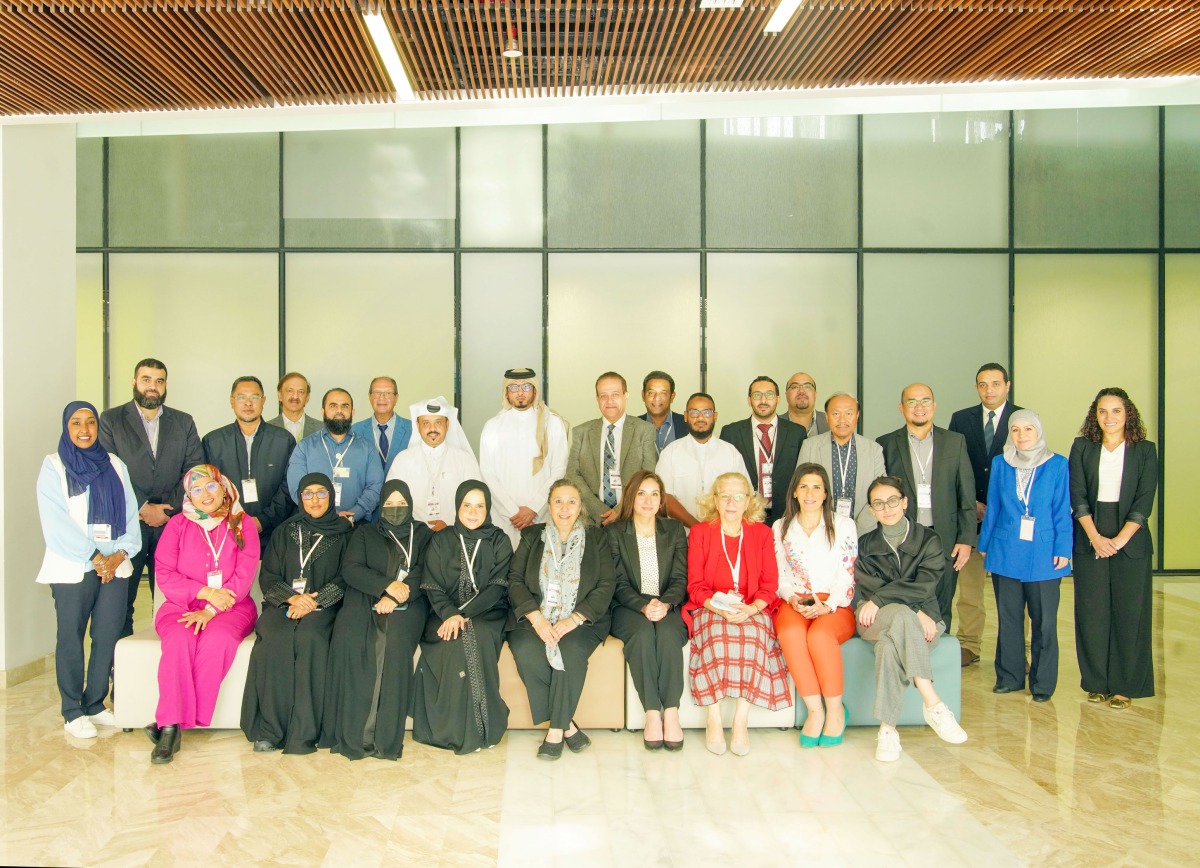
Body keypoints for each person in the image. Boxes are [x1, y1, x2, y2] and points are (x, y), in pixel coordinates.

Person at [36, 401, 141, 739]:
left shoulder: (115, 465)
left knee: (107, 634)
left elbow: (129, 516)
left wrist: (118, 554)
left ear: (98, 427)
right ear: (66, 428)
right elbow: (56, 524)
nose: (84, 430)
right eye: (76, 423)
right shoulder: (54, 466)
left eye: (91, 422)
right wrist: (96, 556)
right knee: (71, 636)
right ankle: (72, 710)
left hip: (114, 566)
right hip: (74, 567)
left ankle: (95, 703)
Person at [148, 465, 260, 764]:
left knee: (217, 638)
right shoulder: (177, 525)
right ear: (189, 497)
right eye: (196, 490)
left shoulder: (242, 523)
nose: (205, 495)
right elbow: (165, 573)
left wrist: (212, 609)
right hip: (181, 605)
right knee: (179, 639)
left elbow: (244, 574)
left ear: (223, 487)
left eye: (211, 486)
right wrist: (205, 594)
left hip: (232, 606)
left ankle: (170, 721)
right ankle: (171, 728)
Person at [855, 476, 968, 762]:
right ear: (871, 510)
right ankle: (932, 701)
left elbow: (926, 584)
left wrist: (903, 606)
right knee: (902, 616)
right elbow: (870, 588)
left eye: (893, 501)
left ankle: (887, 731)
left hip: (919, 618)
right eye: (878, 504)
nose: (887, 508)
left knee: (889, 648)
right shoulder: (866, 544)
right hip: (875, 618)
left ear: (905, 502)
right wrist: (912, 610)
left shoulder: (928, 539)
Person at [323, 479, 434, 760]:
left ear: (409, 504)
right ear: (380, 505)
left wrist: (397, 596)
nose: (395, 509)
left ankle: (382, 737)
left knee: (393, 641)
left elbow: (424, 571)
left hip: (410, 603)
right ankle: (356, 733)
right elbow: (351, 569)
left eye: (401, 504)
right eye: (389, 504)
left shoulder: (422, 533)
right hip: (366, 596)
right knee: (353, 637)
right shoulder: (365, 533)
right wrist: (386, 586)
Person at [241, 472, 351, 753]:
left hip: (324, 607)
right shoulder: (284, 531)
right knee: (274, 637)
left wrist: (314, 602)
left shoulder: (345, 533)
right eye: (308, 494)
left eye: (321, 493)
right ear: (299, 498)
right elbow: (269, 576)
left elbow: (347, 576)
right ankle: (270, 730)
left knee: (311, 637)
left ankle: (306, 730)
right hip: (284, 605)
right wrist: (292, 599)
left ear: (332, 496)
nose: (315, 500)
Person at [507, 479, 615, 760]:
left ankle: (555, 730)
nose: (564, 508)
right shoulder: (532, 536)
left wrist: (574, 620)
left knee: (569, 650)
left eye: (571, 502)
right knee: (526, 651)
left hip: (582, 618)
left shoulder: (597, 537)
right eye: (558, 501)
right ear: (549, 505)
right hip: (535, 616)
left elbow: (606, 584)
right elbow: (515, 581)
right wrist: (537, 619)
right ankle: (569, 726)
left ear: (580, 507)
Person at [686, 472, 790, 757]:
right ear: (715, 500)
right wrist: (718, 607)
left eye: (739, 496)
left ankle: (741, 720)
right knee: (718, 637)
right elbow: (695, 586)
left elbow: (770, 584)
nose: (731, 502)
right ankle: (714, 718)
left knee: (755, 636)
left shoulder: (762, 533)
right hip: (712, 605)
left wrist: (752, 608)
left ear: (748, 501)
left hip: (751, 605)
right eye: (725, 496)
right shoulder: (700, 532)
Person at [98, 358, 204, 639]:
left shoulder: (183, 422)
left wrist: (166, 511)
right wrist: (143, 507)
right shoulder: (110, 420)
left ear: (165, 385)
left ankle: (165, 667)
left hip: (173, 525)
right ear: (134, 382)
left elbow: (194, 470)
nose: (152, 387)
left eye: (159, 381)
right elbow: (109, 471)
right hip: (128, 526)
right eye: (146, 380)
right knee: (121, 604)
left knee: (172, 603)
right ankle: (119, 674)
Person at [1068, 388, 1159, 709]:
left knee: (1129, 614)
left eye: (1116, 411)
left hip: (1130, 541)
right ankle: (1096, 683)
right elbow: (1077, 495)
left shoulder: (1145, 450)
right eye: (1103, 411)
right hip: (1089, 534)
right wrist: (1095, 537)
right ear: (1095, 415)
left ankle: (1125, 686)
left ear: (1127, 414)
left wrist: (1119, 540)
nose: (1109, 418)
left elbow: (1144, 500)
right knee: (1092, 613)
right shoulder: (1082, 447)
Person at [411, 481, 513, 754]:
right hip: (443, 613)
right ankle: (446, 729)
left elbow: (498, 588)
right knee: (451, 643)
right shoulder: (442, 539)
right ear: (457, 507)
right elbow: (432, 585)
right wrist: (450, 614)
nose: (472, 511)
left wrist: (463, 614)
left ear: (488, 509)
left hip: (487, 613)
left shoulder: (499, 539)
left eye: (480, 506)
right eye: (467, 505)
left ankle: (482, 727)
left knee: (473, 635)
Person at [978, 411, 1071, 702]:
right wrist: (985, 543)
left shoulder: (1057, 464)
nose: (1021, 435)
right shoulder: (1001, 463)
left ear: (1039, 431)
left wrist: (1063, 549)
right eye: (1015, 430)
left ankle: (1042, 684)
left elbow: (1061, 509)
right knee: (1008, 618)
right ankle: (1010, 677)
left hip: (1044, 552)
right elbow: (993, 506)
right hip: (1005, 549)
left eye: (1028, 429)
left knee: (1044, 621)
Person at [877, 383, 976, 635]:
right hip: (902, 539)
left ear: (934, 406)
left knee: (942, 603)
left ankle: (937, 663)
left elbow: (966, 494)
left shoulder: (955, 442)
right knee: (905, 604)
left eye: (925, 401)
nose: (919, 407)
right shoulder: (886, 444)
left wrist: (966, 539)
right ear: (901, 408)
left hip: (945, 538)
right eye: (912, 401)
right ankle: (909, 662)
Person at [772, 463, 858, 747]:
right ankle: (815, 712)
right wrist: (791, 598)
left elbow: (847, 574)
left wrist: (827, 605)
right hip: (796, 600)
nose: (810, 493)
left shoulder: (844, 525)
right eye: (804, 486)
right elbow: (780, 574)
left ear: (825, 494)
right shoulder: (781, 527)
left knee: (819, 636)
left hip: (835, 604)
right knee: (790, 633)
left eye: (816, 487)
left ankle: (835, 711)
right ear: (795, 492)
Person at [608, 470, 689, 750]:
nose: (648, 500)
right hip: (628, 607)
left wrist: (664, 603)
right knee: (642, 634)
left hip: (668, 603)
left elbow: (681, 578)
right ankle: (652, 713)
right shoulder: (615, 532)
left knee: (667, 633)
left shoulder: (675, 530)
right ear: (631, 497)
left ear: (661, 499)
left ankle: (672, 712)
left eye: (654, 494)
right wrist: (644, 606)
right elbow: (616, 582)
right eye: (641, 493)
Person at [948, 363, 1022, 667]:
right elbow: (952, 465)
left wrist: (1001, 505)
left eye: (995, 383)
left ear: (1007, 385)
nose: (989, 389)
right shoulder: (961, 419)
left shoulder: (1023, 419)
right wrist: (972, 504)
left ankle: (1021, 650)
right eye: (982, 384)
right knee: (970, 588)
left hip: (1011, 519)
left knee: (1016, 590)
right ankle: (969, 643)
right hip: (972, 516)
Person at [479, 367, 570, 548]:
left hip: (542, 515)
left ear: (535, 390)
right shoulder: (493, 426)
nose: (520, 392)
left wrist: (533, 509)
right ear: (506, 392)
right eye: (514, 387)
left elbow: (559, 470)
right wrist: (513, 512)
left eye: (526, 387)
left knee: (540, 570)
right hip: (505, 518)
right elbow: (487, 473)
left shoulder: (553, 423)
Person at [202, 375, 296, 543]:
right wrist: (231, 518)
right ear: (232, 401)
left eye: (254, 397)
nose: (248, 403)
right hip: (226, 530)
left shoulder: (283, 440)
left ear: (264, 400)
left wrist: (263, 521)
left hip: (274, 531)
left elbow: (289, 486)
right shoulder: (213, 442)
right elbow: (207, 488)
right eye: (241, 397)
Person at [565, 371, 659, 527]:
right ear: (597, 399)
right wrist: (599, 511)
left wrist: (620, 510)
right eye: (603, 396)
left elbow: (648, 475)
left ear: (626, 395)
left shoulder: (644, 430)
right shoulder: (581, 432)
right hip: (591, 520)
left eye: (615, 394)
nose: (609, 401)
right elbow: (572, 475)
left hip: (631, 518)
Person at [286, 388, 383, 526]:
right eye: (333, 405)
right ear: (323, 412)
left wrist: (353, 515)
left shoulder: (367, 448)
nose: (339, 410)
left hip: (355, 525)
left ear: (352, 412)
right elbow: (297, 489)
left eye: (345, 406)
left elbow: (375, 488)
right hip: (315, 525)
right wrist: (325, 516)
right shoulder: (305, 447)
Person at [719, 376, 806, 525]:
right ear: (749, 400)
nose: (763, 400)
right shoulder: (731, 433)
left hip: (787, 514)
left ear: (778, 399)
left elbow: (803, 475)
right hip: (744, 514)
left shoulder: (796, 433)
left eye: (769, 395)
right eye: (757, 395)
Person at [797, 392, 886, 536]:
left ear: (857, 416)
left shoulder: (873, 449)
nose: (842, 420)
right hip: (820, 530)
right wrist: (827, 527)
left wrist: (858, 530)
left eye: (849, 413)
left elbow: (881, 494)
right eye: (836, 414)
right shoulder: (810, 446)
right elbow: (802, 489)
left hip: (865, 533)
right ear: (826, 417)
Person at [386, 396, 479, 531]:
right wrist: (418, 528)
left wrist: (450, 526)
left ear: (448, 425)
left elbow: (477, 502)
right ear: (417, 426)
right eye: (426, 423)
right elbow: (392, 504)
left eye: (438, 422)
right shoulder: (402, 460)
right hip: (413, 536)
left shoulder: (465, 460)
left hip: (456, 535)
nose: (432, 428)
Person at [656, 392, 746, 527]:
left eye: (707, 413)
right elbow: (664, 496)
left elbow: (744, 493)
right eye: (694, 412)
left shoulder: (730, 453)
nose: (700, 418)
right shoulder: (671, 452)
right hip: (681, 536)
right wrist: (697, 528)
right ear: (685, 416)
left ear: (715, 416)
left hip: (723, 534)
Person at [350, 376, 412, 477]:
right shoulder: (356, 430)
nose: (382, 397)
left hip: (402, 491)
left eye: (388, 393)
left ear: (396, 398)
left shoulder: (412, 429)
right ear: (369, 396)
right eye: (377, 393)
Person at [268, 372, 323, 444]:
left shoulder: (322, 429)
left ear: (307, 398)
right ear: (280, 396)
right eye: (290, 391)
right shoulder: (266, 430)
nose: (295, 396)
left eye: (301, 392)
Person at [639, 370, 688, 451]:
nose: (657, 398)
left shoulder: (687, 424)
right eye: (651, 393)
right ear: (643, 395)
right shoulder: (632, 427)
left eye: (663, 393)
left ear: (672, 397)